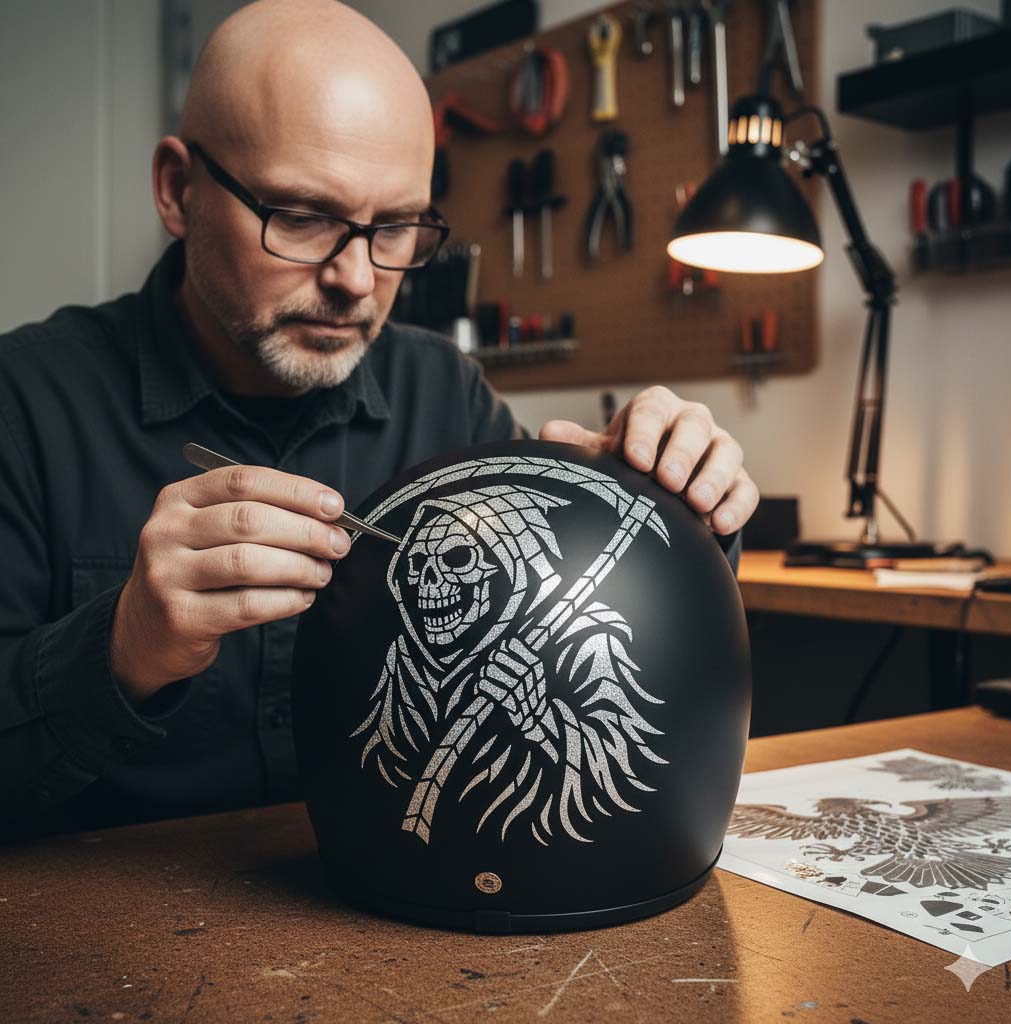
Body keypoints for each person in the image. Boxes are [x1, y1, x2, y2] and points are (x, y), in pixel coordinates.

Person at [0, 0, 758, 837]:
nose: (357, 279)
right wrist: (122, 647)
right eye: (302, 217)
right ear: (179, 191)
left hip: (394, 895)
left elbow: (576, 629)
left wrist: (667, 506)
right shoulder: (25, 404)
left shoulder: (445, 391)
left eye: (396, 227)